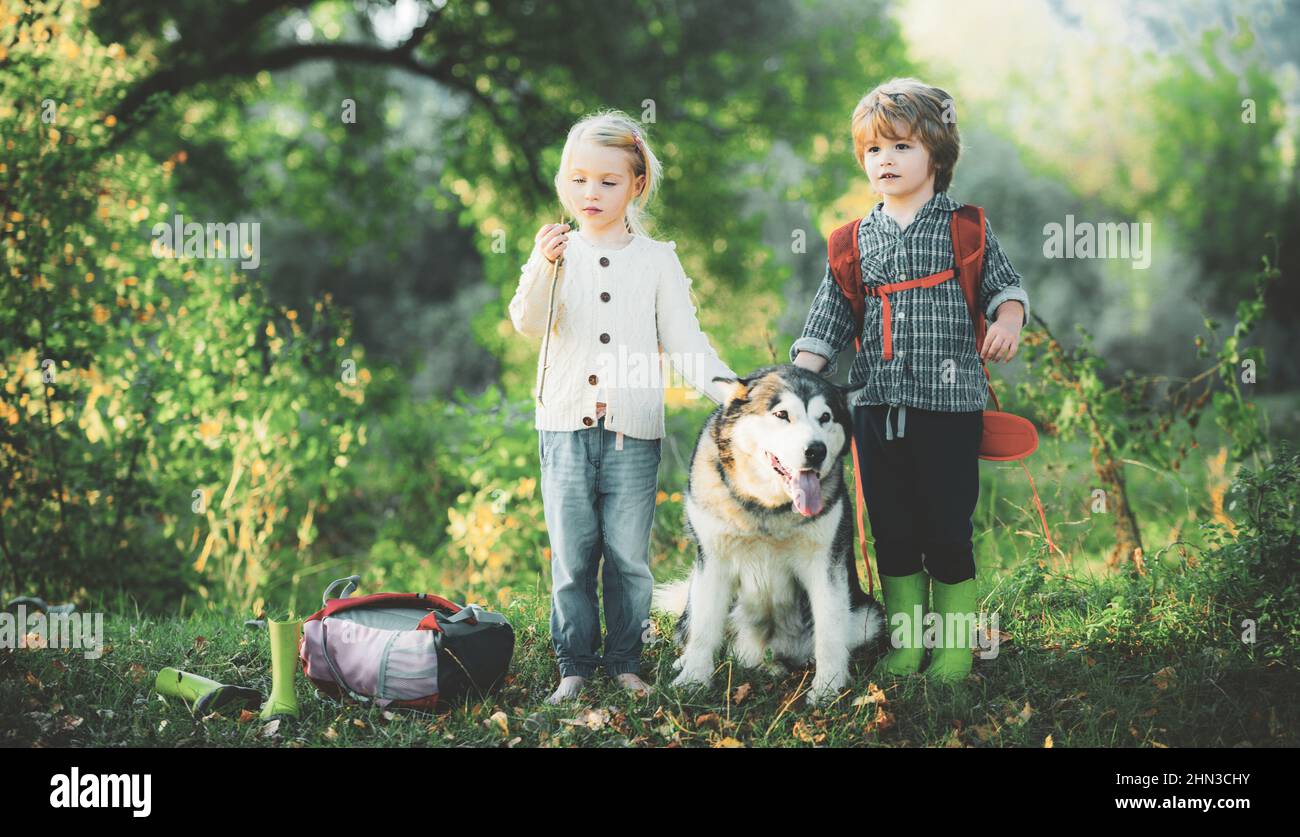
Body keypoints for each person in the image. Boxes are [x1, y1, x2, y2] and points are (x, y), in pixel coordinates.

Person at [791, 79, 1030, 684]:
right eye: (873, 150)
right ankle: (907, 645)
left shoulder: (966, 229)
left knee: (946, 529)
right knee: (892, 529)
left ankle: (951, 648)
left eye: (900, 146)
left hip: (948, 409)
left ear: (937, 154)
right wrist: (794, 384)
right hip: (875, 407)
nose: (885, 160)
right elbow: (828, 319)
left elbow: (1005, 287)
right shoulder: (851, 241)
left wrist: (1008, 319)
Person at [509, 110, 739, 704]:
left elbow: (686, 341)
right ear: (564, 180)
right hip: (563, 428)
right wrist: (543, 264)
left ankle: (626, 661)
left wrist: (733, 394)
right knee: (573, 558)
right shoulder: (557, 254)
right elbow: (528, 322)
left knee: (629, 559)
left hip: (633, 433)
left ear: (636, 185)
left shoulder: (657, 259)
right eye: (579, 178)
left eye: (608, 182)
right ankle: (574, 666)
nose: (592, 193)